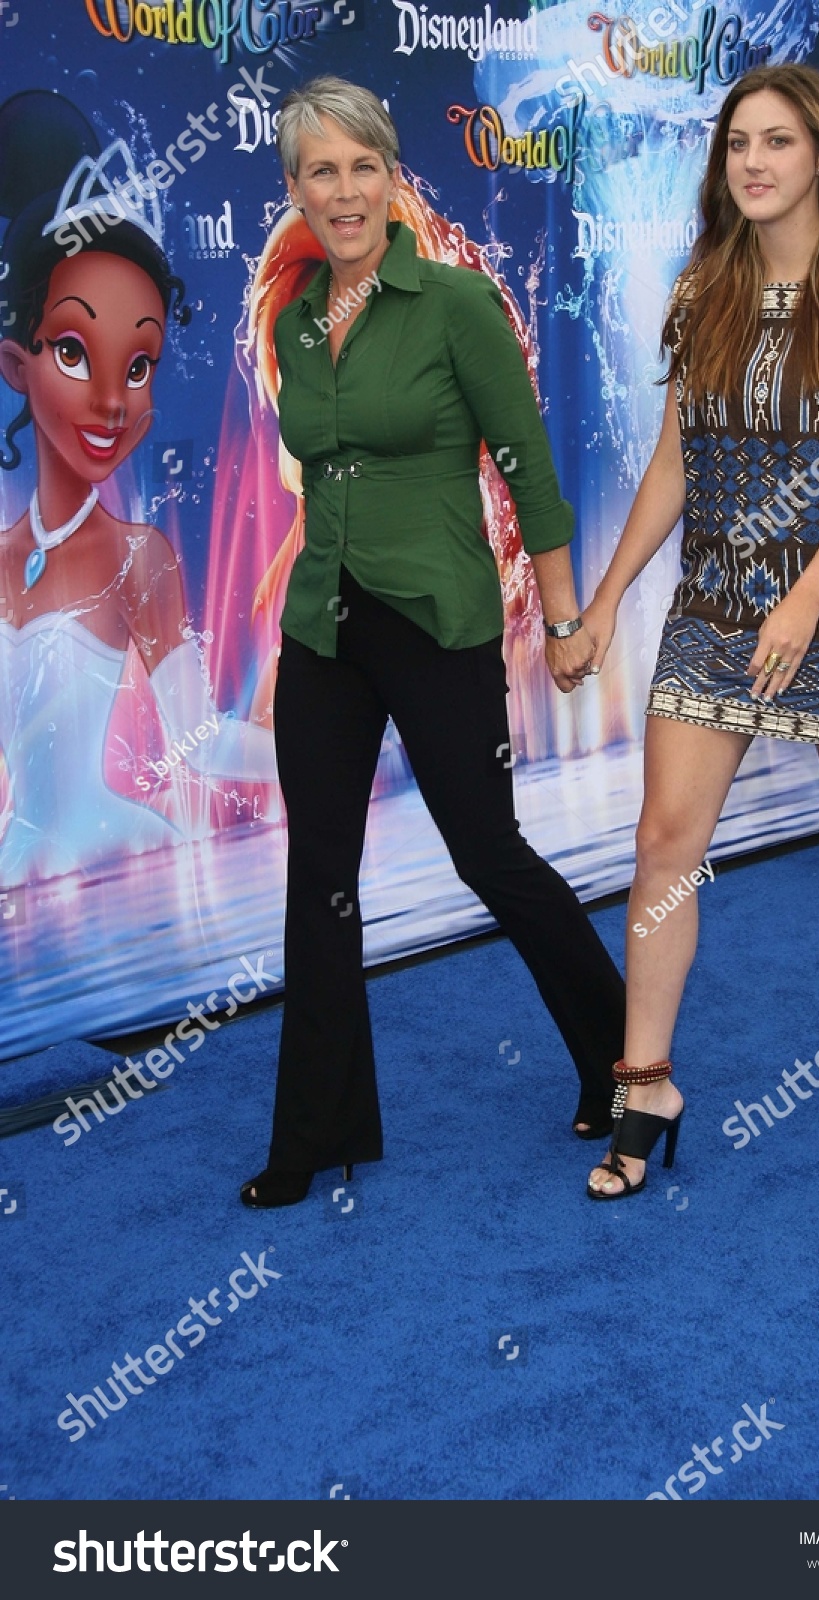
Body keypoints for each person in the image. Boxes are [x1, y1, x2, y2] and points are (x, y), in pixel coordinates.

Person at [240, 76, 625, 1208]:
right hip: (324, 625)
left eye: (362, 165)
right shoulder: (299, 324)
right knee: (318, 880)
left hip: (437, 617)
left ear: (391, 176)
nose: (344, 190)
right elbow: (320, 480)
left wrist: (561, 621)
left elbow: (526, 464)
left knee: (486, 853)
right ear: (294, 187)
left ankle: (621, 1059)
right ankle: (317, 1134)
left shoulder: (454, 303)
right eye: (320, 169)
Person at [581, 63, 819, 1200]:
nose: (750, 161)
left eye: (776, 142)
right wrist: (602, 602)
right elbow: (672, 464)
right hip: (713, 606)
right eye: (736, 142)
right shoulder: (704, 285)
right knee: (662, 844)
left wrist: (806, 593)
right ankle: (643, 1079)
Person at [0, 91, 277, 886]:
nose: (113, 401)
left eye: (139, 365)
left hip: (119, 866)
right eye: (75, 354)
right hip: (23, 875)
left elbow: (203, 740)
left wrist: (342, 747)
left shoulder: (139, 559)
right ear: (19, 367)